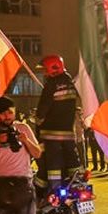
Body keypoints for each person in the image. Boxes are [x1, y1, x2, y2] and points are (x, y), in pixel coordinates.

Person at [33, 55, 82, 202]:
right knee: (72, 158)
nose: (44, 73)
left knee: (50, 163)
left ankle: (51, 189)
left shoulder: (51, 85)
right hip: (68, 132)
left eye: (45, 70)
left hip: (51, 133)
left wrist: (38, 118)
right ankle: (77, 181)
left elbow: (44, 107)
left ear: (52, 69)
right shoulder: (71, 82)